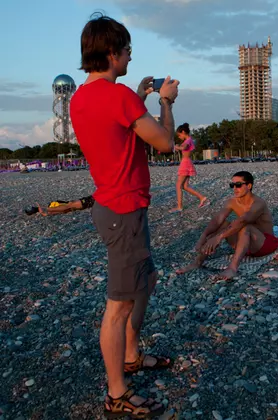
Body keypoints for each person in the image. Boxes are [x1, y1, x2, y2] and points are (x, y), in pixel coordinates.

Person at [70, 13, 180, 418]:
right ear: (113, 53)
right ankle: (117, 391)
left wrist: (139, 94)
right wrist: (165, 101)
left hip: (112, 206)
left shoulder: (82, 97)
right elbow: (166, 142)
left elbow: (118, 124)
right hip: (123, 210)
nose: (131, 56)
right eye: (129, 50)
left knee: (144, 281)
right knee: (117, 305)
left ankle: (132, 356)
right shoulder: (120, 99)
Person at [176, 171, 278, 280]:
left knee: (246, 227)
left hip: (264, 244)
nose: (235, 188)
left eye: (238, 185)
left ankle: (232, 268)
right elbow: (217, 219)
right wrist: (203, 237)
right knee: (223, 224)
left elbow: (243, 221)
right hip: (246, 245)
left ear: (249, 186)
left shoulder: (258, 203)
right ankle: (198, 262)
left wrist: (219, 237)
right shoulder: (232, 202)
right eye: (232, 185)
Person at [170, 123, 208, 213]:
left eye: (179, 135)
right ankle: (202, 197)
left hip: (185, 163)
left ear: (183, 132)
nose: (179, 137)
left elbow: (184, 147)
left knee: (178, 185)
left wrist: (176, 146)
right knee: (185, 186)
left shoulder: (188, 141)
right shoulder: (189, 140)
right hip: (187, 162)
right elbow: (183, 147)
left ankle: (179, 206)